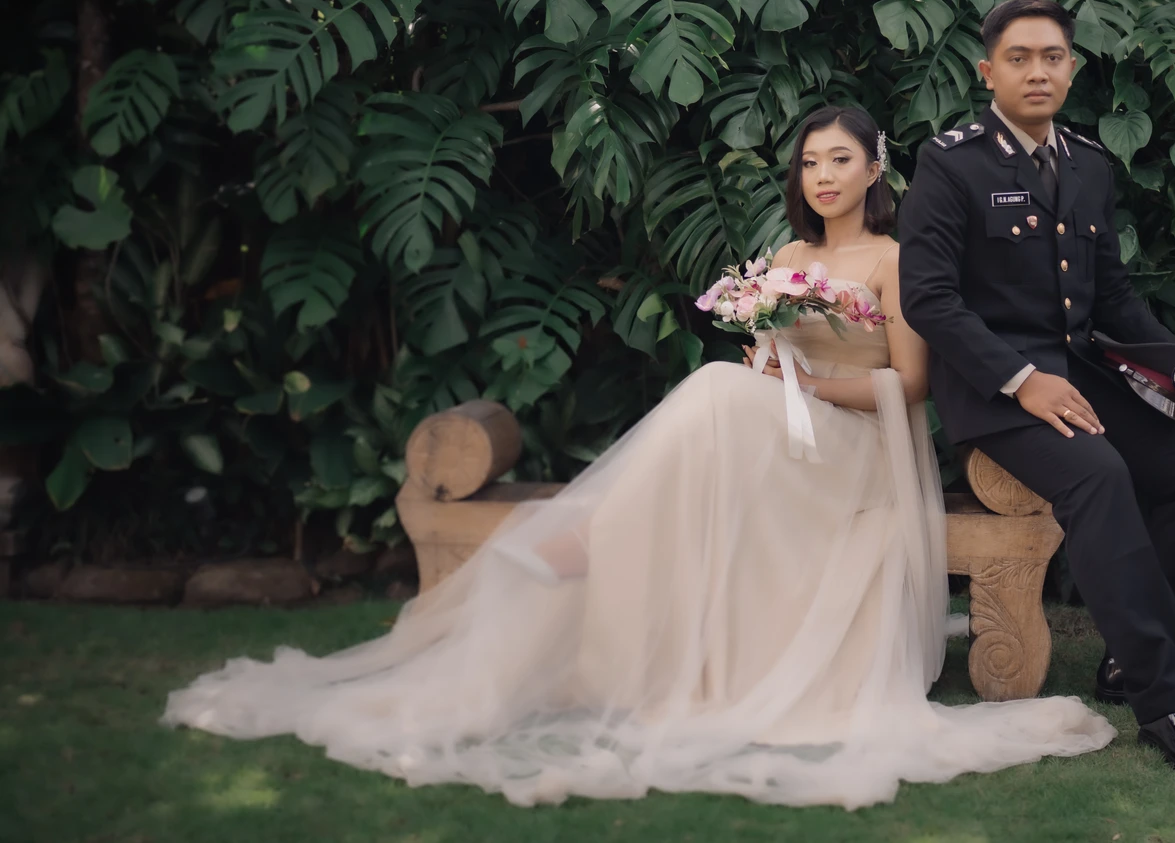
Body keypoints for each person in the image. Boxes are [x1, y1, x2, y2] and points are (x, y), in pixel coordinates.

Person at [160, 105, 1116, 810]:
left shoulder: (894, 261)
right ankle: (613, 547)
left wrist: (808, 388)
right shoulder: (786, 255)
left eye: (841, 159)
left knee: (714, 390)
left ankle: (588, 531)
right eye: (810, 160)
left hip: (853, 443)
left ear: (874, 170)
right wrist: (773, 362)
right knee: (724, 386)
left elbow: (909, 384)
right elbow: (768, 361)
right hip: (781, 433)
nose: (823, 175)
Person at [897, 0, 1175, 775]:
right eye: (1019, 57)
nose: (1038, 71)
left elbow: (1114, 296)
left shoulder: (1089, 161)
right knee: (1099, 475)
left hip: (1081, 377)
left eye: (1052, 56)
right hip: (998, 392)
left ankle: (1136, 661)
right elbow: (928, 298)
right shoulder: (951, 163)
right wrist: (1021, 380)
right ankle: (1170, 699)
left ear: (1072, 67)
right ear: (988, 71)